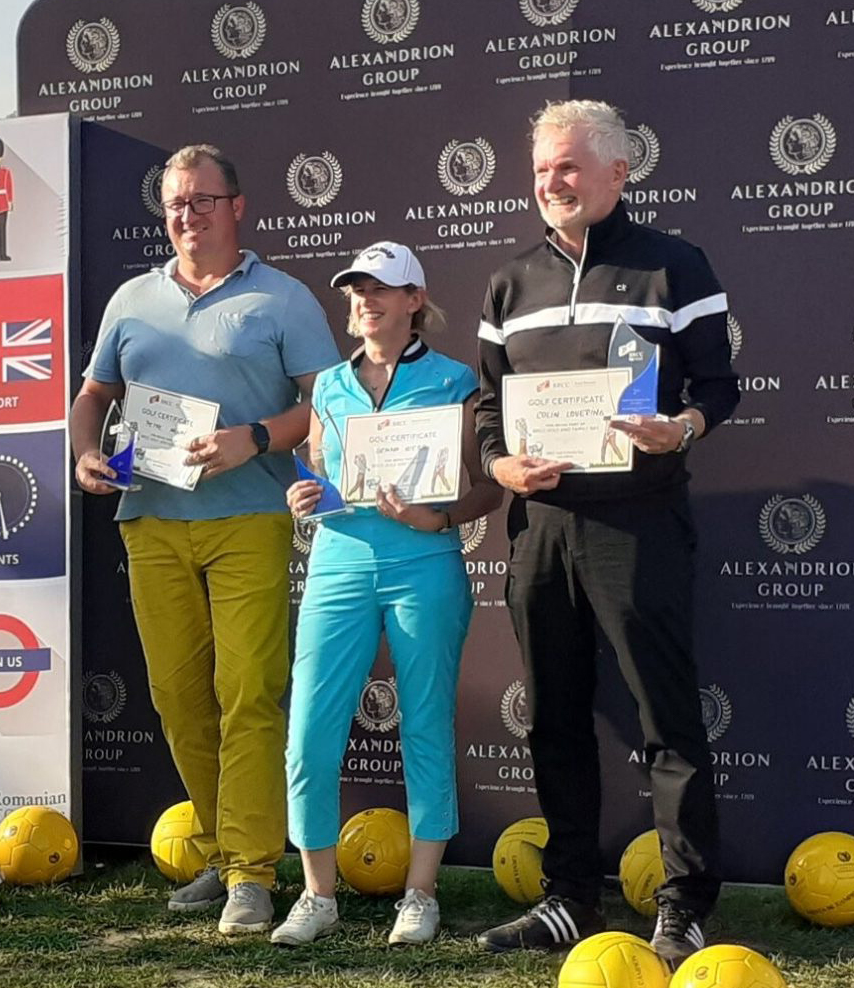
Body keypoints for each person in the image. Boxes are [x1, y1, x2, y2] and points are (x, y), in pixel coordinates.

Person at [472, 100, 740, 967]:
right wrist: (500, 466)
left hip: (639, 524)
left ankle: (685, 906)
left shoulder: (674, 265)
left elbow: (719, 386)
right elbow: (487, 408)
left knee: (667, 719)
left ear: (619, 172)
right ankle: (569, 897)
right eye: (541, 169)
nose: (551, 182)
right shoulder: (510, 282)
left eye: (568, 166)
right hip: (542, 528)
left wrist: (682, 429)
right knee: (554, 717)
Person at [69, 144, 339, 935]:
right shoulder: (132, 300)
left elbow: (328, 403)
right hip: (150, 520)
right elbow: (93, 397)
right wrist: (85, 453)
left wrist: (253, 438)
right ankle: (223, 854)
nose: (187, 215)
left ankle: (252, 874)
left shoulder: (283, 298)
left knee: (247, 691)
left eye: (202, 200)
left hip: (250, 519)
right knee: (178, 698)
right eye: (175, 204)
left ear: (237, 206)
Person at [270, 242, 501, 947]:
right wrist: (304, 498)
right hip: (338, 562)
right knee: (309, 733)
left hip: (423, 563)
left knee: (425, 723)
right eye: (356, 290)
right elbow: (323, 477)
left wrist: (439, 519)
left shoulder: (454, 380)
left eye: (380, 289)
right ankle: (317, 894)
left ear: (414, 301)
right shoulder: (328, 388)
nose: (365, 301)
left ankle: (421, 893)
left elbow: (488, 487)